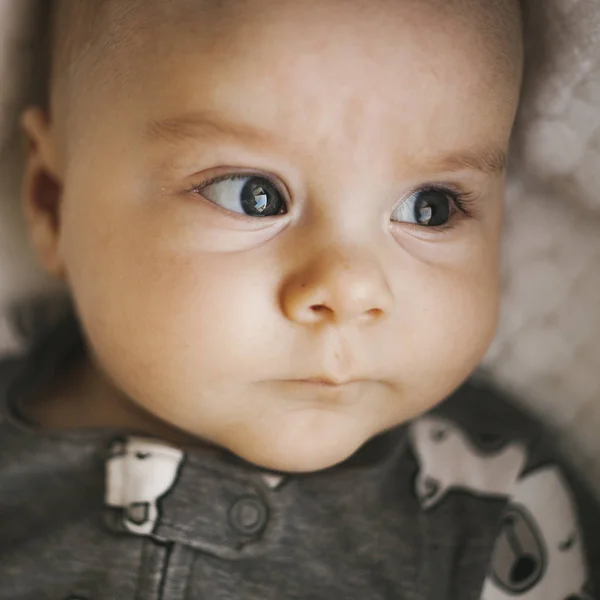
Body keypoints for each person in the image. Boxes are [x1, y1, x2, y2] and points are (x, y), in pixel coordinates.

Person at [0, 0, 597, 597]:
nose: (351, 289)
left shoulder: (495, 500)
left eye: (430, 209)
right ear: (54, 201)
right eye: (253, 195)